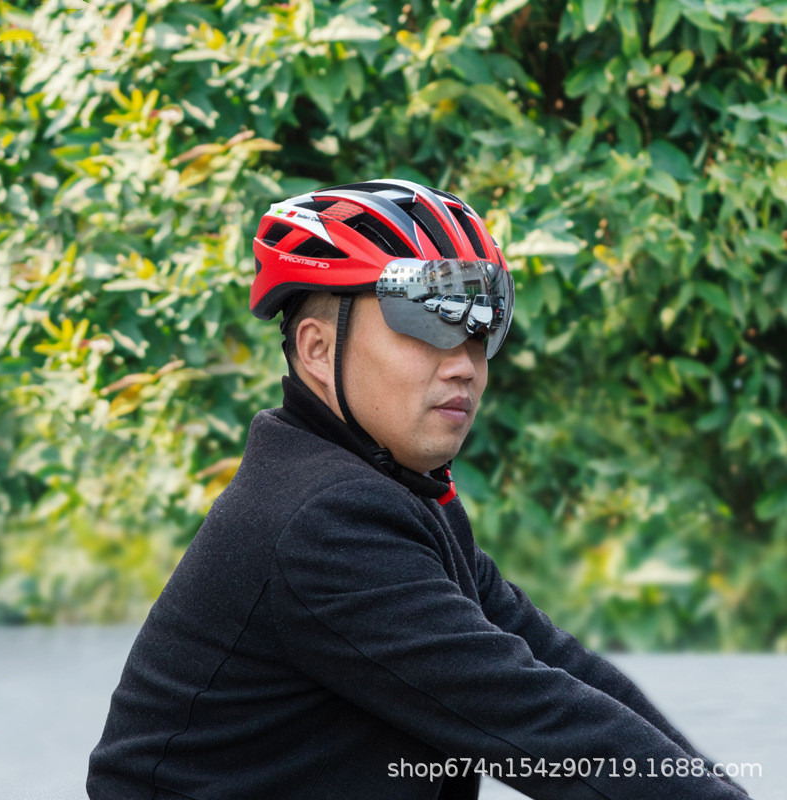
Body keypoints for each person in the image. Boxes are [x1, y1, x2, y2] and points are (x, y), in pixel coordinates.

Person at [87, 179, 750, 800]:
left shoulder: (395, 493)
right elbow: (536, 721)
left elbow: (559, 671)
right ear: (317, 350)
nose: (462, 362)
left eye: (479, 327)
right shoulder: (324, 522)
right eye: (427, 322)